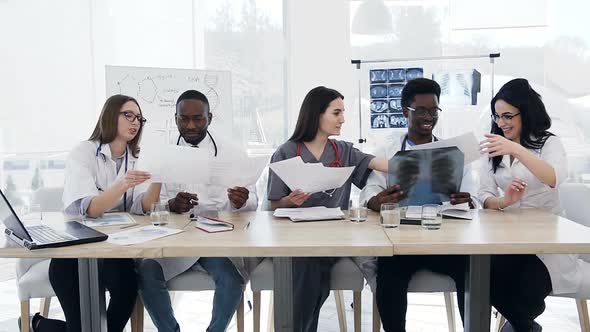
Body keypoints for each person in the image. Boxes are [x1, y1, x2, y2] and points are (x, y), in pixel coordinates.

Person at [23, 95, 162, 332]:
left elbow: (143, 205)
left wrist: (160, 175)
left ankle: (40, 325)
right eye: (128, 114)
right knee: (82, 327)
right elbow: (90, 208)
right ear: (110, 116)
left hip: (113, 251)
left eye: (139, 118)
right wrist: (122, 184)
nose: (135, 122)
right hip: (75, 254)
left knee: (127, 289)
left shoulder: (137, 158)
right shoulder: (84, 153)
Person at [359, 78, 478, 332]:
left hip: (444, 239)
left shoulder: (453, 152)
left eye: (434, 110)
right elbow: (370, 192)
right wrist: (377, 201)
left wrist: (467, 200)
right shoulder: (388, 149)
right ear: (405, 111)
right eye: (422, 110)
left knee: (472, 271)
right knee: (389, 275)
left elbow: (474, 196)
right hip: (403, 240)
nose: (429, 116)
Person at [267, 86, 388, 332]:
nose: (342, 119)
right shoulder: (286, 152)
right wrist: (291, 200)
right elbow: (274, 204)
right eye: (336, 112)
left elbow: (382, 164)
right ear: (316, 114)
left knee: (312, 268)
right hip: (297, 237)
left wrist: (417, 164)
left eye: (342, 112)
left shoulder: (343, 151)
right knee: (309, 267)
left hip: (335, 235)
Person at [137, 90, 258, 332]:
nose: (190, 125)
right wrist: (171, 204)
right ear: (176, 119)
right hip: (175, 239)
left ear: (209, 118)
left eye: (198, 118)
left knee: (232, 279)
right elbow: (150, 204)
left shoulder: (233, 152)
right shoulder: (164, 154)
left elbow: (254, 201)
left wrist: (240, 201)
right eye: (184, 119)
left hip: (215, 240)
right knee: (146, 271)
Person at [479, 78, 586, 332]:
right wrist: (504, 200)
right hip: (510, 241)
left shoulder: (549, 143)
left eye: (508, 116)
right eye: (497, 116)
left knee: (525, 293)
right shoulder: (495, 147)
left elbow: (554, 178)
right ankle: (525, 327)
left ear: (525, 112)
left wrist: (515, 150)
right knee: (482, 281)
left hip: (548, 244)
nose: (501, 123)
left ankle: (520, 325)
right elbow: (483, 195)